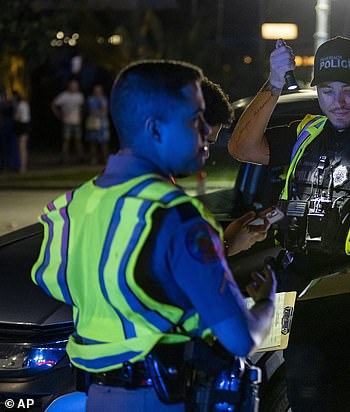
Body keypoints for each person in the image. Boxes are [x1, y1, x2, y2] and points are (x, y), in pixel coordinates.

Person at [32, 60, 277, 411]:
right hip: (164, 398)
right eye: (194, 121)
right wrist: (266, 304)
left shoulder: (71, 208)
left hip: (97, 397)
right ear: (155, 129)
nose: (202, 135)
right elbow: (240, 338)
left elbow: (68, 283)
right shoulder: (176, 215)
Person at [228, 36, 350, 410]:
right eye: (327, 90)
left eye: (349, 90)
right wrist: (273, 83)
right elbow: (241, 147)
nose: (338, 102)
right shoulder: (305, 134)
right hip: (296, 295)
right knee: (300, 397)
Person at [51, 78, 84, 163]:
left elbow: (82, 107)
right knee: (66, 140)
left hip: (77, 121)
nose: (74, 87)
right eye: (73, 86)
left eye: (76, 86)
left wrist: (81, 115)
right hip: (67, 121)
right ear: (69, 86)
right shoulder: (64, 95)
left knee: (78, 140)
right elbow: (53, 104)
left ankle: (80, 158)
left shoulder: (79, 96)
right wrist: (59, 114)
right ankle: (64, 158)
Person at [85, 84, 110, 165]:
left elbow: (105, 111)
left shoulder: (104, 99)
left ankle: (105, 158)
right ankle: (93, 158)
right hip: (93, 122)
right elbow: (91, 111)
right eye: (96, 90)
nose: (97, 92)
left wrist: (99, 112)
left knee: (104, 142)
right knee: (93, 142)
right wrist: (99, 112)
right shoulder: (91, 100)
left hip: (103, 123)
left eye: (99, 90)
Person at [13, 90, 30, 174]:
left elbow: (17, 117)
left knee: (22, 148)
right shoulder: (26, 104)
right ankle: (24, 166)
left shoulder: (20, 105)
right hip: (25, 125)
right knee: (23, 148)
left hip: (22, 126)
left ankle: (23, 167)